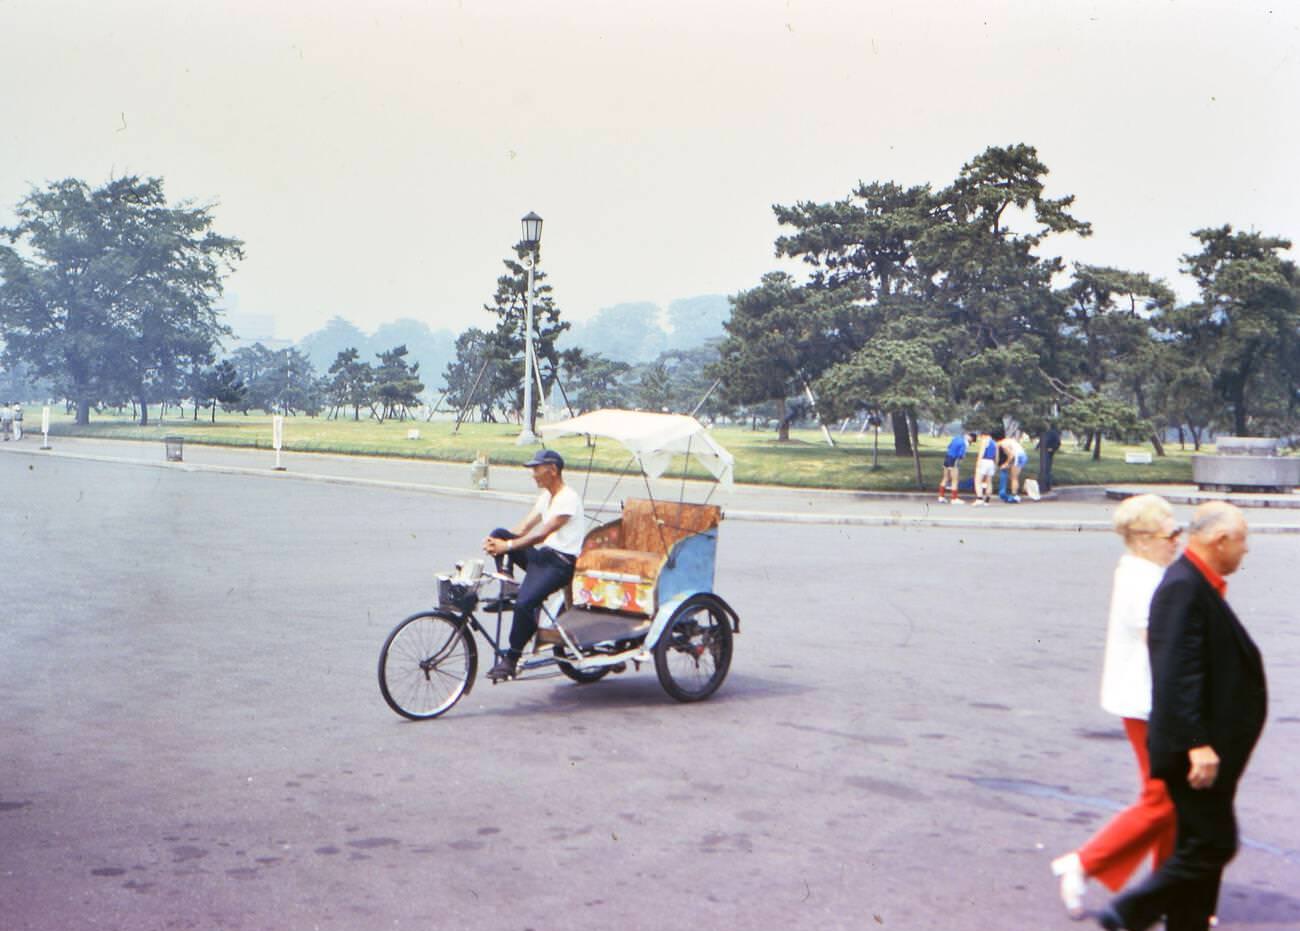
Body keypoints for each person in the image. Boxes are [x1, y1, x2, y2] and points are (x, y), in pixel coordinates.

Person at [1099, 502, 1267, 931]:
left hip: (1207, 748)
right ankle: (1131, 911)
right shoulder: (1182, 587)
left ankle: (1182, 921)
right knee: (1212, 843)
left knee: (1200, 848)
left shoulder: (1196, 583)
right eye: (1243, 540)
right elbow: (1176, 673)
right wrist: (1197, 744)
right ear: (1220, 541)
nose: (1246, 551)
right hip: (1195, 751)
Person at [1050, 494, 1181, 918]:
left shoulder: (1150, 572)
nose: (1177, 540)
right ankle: (1085, 862)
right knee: (1162, 796)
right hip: (1148, 701)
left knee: (1172, 797)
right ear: (1143, 538)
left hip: (1154, 698)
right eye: (1170, 533)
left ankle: (1165, 890)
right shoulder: (1141, 579)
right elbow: (1162, 644)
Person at [482, 449, 586, 681]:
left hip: (561, 564)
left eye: (537, 469)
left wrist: (507, 547)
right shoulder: (546, 497)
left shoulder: (568, 498)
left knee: (524, 604)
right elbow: (523, 529)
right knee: (499, 532)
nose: (533, 475)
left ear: (553, 470)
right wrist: (498, 542)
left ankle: (512, 659)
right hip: (544, 558)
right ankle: (508, 583)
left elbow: (541, 534)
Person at [937, 431, 975, 505]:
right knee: (955, 480)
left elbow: (949, 446)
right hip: (954, 460)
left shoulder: (956, 438)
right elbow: (961, 455)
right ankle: (954, 498)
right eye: (972, 439)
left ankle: (941, 496)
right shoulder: (964, 444)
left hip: (947, 458)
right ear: (970, 437)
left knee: (945, 478)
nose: (971, 441)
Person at [998, 432, 1027, 503]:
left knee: (1014, 477)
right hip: (1022, 455)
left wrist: (1006, 464)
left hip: (1018, 456)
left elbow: (1011, 455)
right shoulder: (1008, 440)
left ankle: (1014, 496)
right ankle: (1014, 495)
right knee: (1014, 477)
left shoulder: (1003, 444)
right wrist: (1008, 464)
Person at [973, 431, 997, 506]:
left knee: (978, 481)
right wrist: (995, 464)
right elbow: (996, 455)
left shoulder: (985, 441)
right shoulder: (994, 443)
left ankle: (979, 498)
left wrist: (978, 461)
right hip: (991, 462)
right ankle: (987, 500)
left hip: (984, 461)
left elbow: (982, 452)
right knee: (989, 481)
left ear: (983, 435)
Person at [1040, 423, 1062, 492]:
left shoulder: (1053, 433)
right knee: (1044, 468)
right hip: (1043, 452)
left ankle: (1047, 486)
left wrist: (1052, 448)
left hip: (1049, 452)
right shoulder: (1045, 433)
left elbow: (1058, 442)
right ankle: (1043, 485)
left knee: (1047, 469)